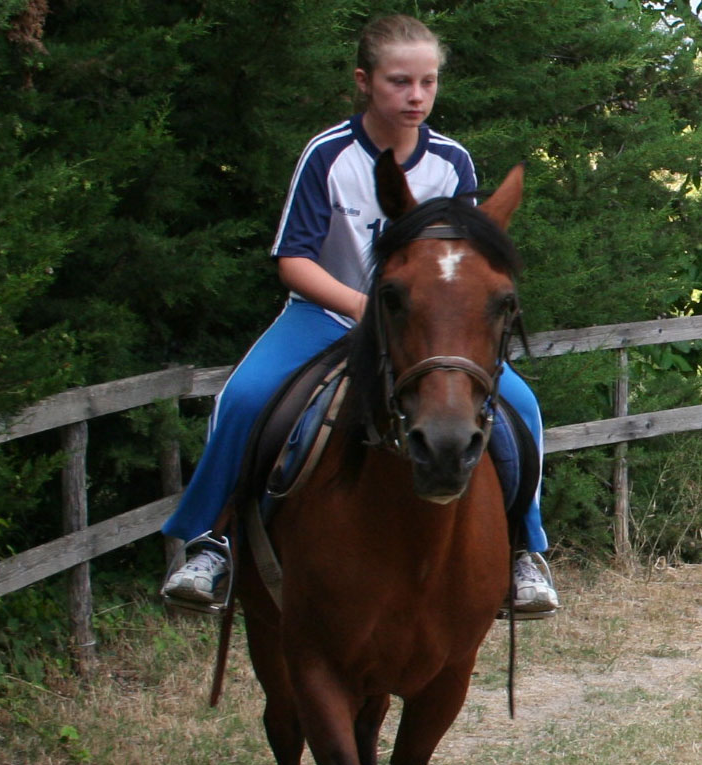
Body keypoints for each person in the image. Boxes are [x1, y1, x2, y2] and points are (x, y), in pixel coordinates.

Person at [159, 14, 557, 617]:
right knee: (244, 397)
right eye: (400, 81)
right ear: (364, 82)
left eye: (428, 82)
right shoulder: (329, 155)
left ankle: (526, 552)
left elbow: (466, 264)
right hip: (326, 314)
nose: (416, 96)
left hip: (420, 327)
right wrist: (363, 306)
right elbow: (293, 259)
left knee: (520, 406)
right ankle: (211, 544)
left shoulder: (452, 163)